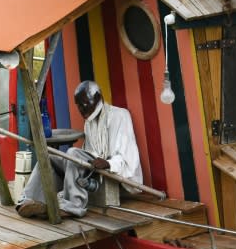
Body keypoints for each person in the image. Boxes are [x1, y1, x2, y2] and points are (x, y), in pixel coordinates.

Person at [16, 80, 143, 218]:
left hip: (112, 170)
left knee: (72, 153)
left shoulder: (120, 115)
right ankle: (29, 200)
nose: (82, 110)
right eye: (78, 106)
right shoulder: (89, 121)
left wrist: (108, 163)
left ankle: (72, 207)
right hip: (92, 166)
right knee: (48, 158)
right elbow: (88, 153)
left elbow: (127, 156)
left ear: (98, 98)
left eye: (85, 104)